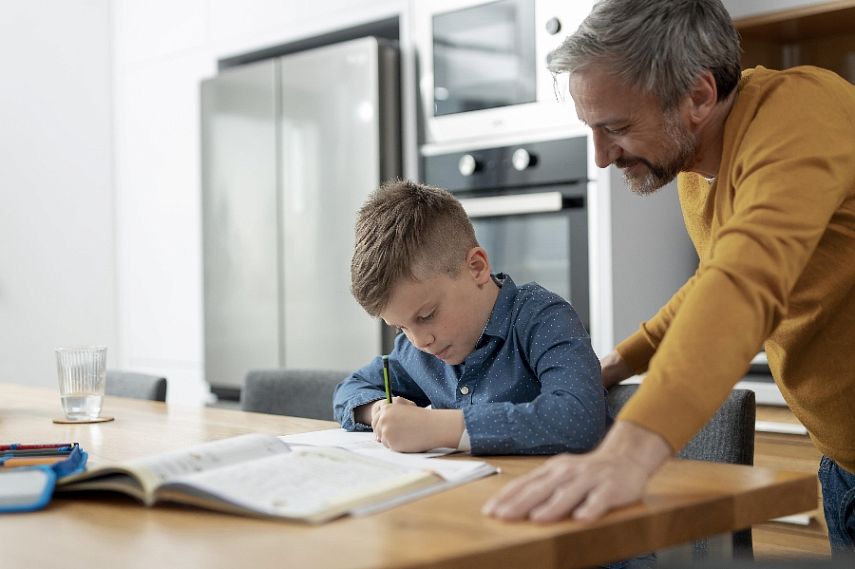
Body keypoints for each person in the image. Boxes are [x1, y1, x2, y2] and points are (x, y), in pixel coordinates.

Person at [482, 0, 855, 554]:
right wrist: (623, 358)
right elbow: (713, 279)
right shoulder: (696, 167)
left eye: (618, 128)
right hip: (844, 465)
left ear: (699, 96)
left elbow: (744, 280)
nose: (603, 157)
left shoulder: (803, 111)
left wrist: (632, 449)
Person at [333, 179, 610, 455]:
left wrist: (438, 428)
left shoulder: (542, 318)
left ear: (477, 267)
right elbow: (349, 390)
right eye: (401, 327)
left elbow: (578, 417)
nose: (420, 341)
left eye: (427, 315)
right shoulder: (419, 351)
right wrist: (380, 411)